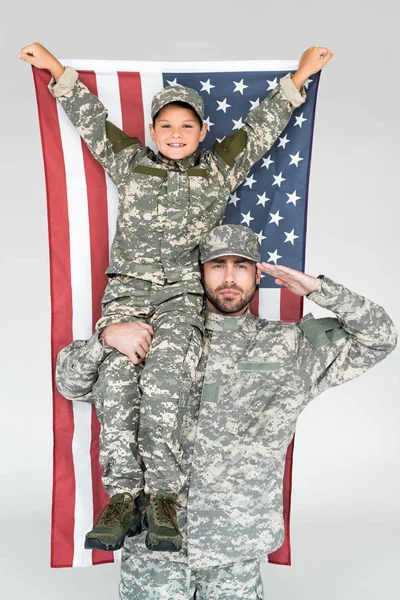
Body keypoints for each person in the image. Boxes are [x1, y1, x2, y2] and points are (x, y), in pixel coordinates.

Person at [19, 42, 333, 552]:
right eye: (166, 126)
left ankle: (163, 497)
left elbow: (260, 130)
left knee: (167, 377)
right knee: (117, 377)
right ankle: (123, 497)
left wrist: (299, 78)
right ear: (152, 132)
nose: (176, 134)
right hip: (127, 294)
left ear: (203, 133)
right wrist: (57, 71)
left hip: (183, 296)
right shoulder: (130, 162)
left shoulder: (219, 169)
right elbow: (92, 120)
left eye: (187, 126)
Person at [56, 224, 397, 600]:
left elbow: (380, 337)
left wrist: (319, 289)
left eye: (242, 266)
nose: (230, 277)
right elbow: (70, 382)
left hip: (235, 543)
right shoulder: (157, 337)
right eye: (217, 266)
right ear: (199, 273)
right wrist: (105, 338)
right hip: (155, 547)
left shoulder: (291, 346)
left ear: (257, 274)